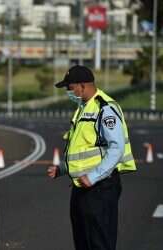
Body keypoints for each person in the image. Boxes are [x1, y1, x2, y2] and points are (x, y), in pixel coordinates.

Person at [47, 65, 136, 250]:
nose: (67, 92)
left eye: (69, 87)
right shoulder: (83, 108)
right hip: (82, 186)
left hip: (100, 188)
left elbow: (116, 148)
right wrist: (62, 169)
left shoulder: (105, 108)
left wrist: (94, 176)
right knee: (83, 242)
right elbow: (84, 148)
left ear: (82, 85)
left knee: (99, 242)